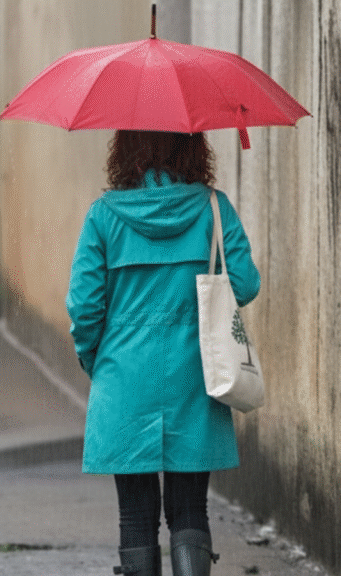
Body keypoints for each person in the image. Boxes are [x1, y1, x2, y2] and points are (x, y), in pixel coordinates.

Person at [66, 130, 260, 576]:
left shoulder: (104, 218)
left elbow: (83, 307)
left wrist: (96, 362)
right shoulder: (213, 209)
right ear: (193, 147)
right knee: (190, 510)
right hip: (194, 378)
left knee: (135, 517)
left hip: (124, 378)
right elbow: (246, 284)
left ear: (125, 150)